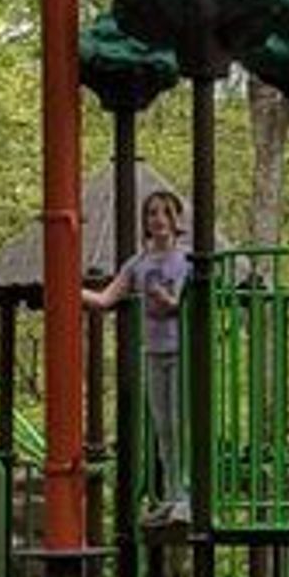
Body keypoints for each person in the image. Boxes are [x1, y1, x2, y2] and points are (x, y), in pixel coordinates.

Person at [85, 188, 192, 516]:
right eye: (152, 213)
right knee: (163, 428)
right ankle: (173, 495)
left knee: (180, 422)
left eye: (165, 213)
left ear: (176, 220)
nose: (158, 219)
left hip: (183, 352)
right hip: (155, 353)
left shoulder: (187, 261)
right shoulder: (139, 263)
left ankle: (187, 496)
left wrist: (171, 302)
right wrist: (66, 286)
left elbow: (191, 306)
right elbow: (105, 300)